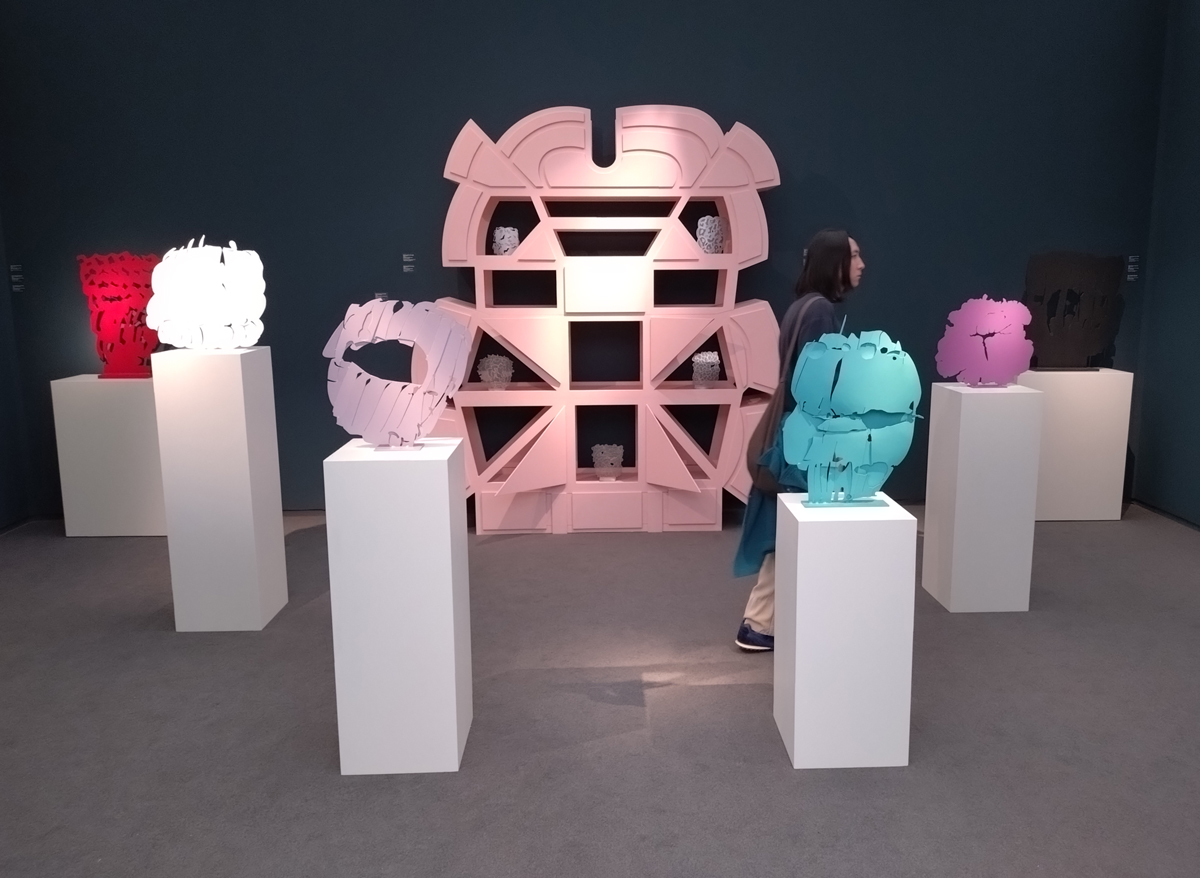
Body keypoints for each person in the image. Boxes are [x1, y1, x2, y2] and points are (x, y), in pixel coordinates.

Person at [734, 229, 865, 652]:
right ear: (834, 262)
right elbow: (815, 385)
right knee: (793, 531)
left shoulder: (802, 307)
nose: (862, 264)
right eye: (854, 256)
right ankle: (761, 622)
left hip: (795, 432)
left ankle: (765, 621)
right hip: (805, 438)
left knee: (788, 529)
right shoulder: (820, 310)